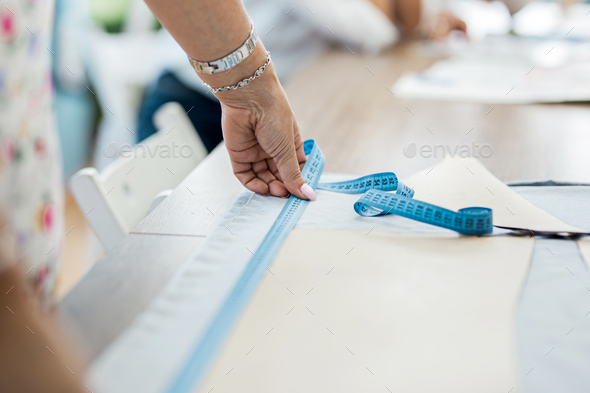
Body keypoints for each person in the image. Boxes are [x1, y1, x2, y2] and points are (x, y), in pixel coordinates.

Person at [138, 0, 466, 156]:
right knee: (166, 238)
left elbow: (409, 18)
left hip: (241, 99)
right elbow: (370, 30)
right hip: (193, 101)